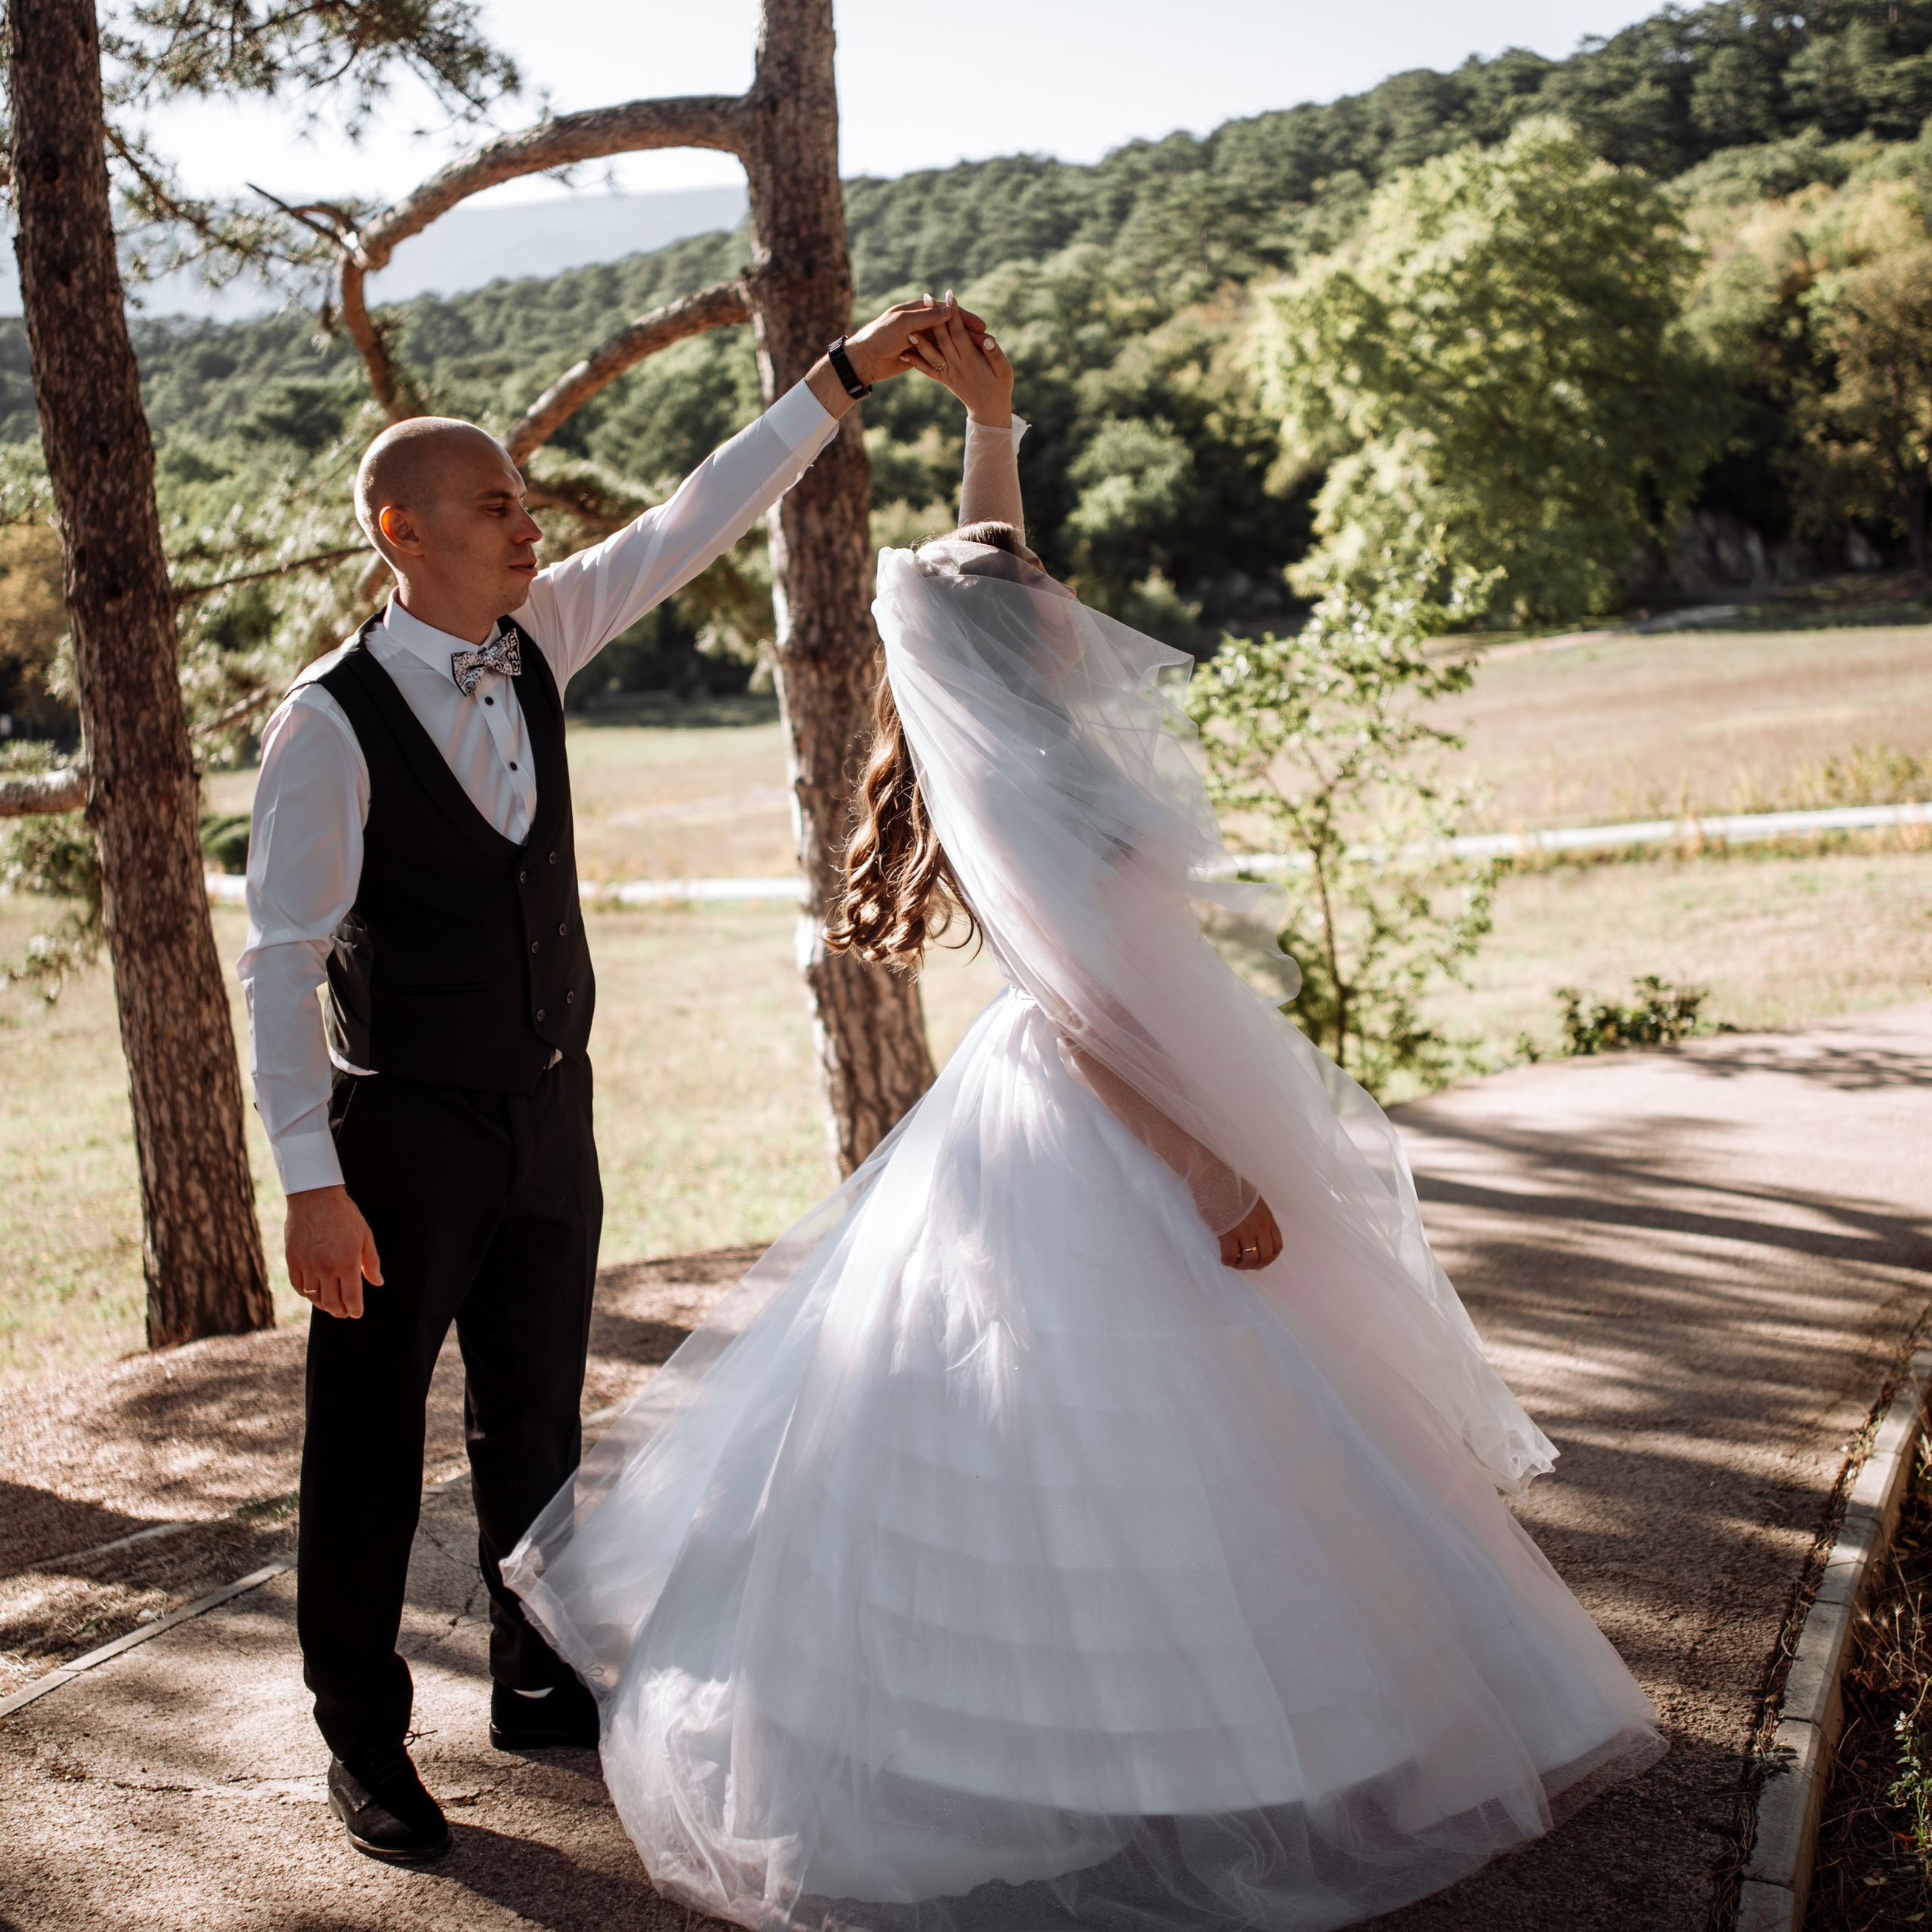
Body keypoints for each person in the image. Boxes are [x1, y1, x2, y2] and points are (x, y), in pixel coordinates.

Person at [502, 311, 1666, 1930]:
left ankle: (1268, 1739)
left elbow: (988, 565)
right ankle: (1117, 1773)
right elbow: (1080, 1010)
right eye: (1043, 599)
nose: (1064, 600)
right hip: (1104, 1118)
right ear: (1013, 655)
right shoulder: (1030, 786)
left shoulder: (1017, 734)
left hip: (1085, 1097)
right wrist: (1202, 1160)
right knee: (1117, 1441)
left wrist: (994, 423)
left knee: (1229, 1436)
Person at [238, 294, 971, 1866]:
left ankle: (534, 1677)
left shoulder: (540, 638)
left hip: (547, 1118)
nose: (525, 521)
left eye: (520, 501)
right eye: (493, 503)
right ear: (401, 530)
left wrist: (837, 379)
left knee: (538, 1421)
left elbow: (699, 509)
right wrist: (307, 1174)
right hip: (397, 1135)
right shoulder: (326, 725)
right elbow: (277, 955)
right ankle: (361, 1740)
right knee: (365, 1446)